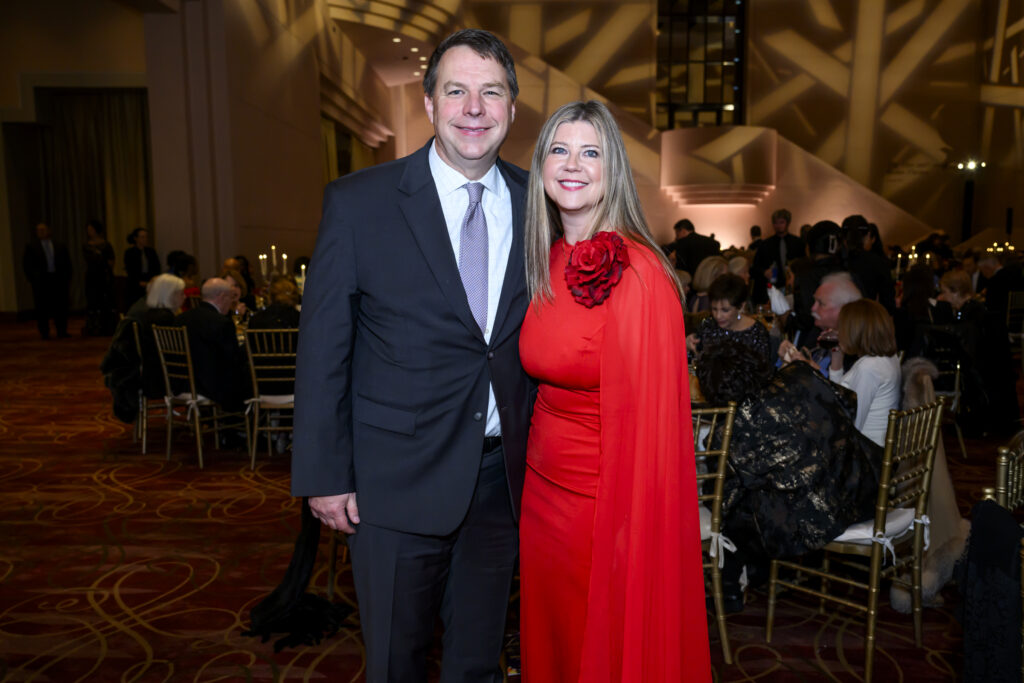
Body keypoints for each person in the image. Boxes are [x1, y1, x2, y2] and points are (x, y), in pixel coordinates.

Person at [291, 29, 533, 682]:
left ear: (513, 108)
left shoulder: (542, 202)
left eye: (492, 92)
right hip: (392, 483)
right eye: (456, 90)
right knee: (396, 663)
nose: (474, 108)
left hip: (500, 484)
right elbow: (323, 351)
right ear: (429, 104)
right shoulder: (359, 203)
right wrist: (322, 472)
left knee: (479, 663)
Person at [518, 100, 711, 682]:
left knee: (594, 651)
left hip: (602, 511)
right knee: (553, 645)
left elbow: (655, 431)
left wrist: (631, 537)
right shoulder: (546, 258)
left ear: (613, 169)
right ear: (542, 164)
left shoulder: (640, 273)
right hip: (540, 499)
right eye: (559, 149)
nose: (573, 164)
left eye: (591, 151)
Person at [696, 338, 880, 612]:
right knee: (755, 492)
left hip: (823, 517)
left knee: (729, 508)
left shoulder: (729, 433)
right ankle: (756, 571)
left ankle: (730, 591)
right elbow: (849, 405)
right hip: (865, 486)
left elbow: (723, 500)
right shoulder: (800, 374)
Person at [827, 299, 901, 446]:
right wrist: (837, 360)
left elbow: (851, 422)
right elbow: (842, 397)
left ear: (855, 331)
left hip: (864, 455)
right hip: (875, 448)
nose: (839, 333)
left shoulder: (869, 367)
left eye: (842, 328)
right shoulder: (889, 358)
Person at [174, 277, 251, 413]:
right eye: (230, 297)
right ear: (222, 297)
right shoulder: (221, 323)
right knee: (250, 378)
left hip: (180, 384)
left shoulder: (181, 319)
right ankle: (240, 427)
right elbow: (233, 360)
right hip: (210, 387)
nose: (232, 302)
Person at [779, 271, 861, 377]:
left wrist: (809, 367)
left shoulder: (854, 350)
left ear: (843, 310)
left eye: (821, 304)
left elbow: (842, 390)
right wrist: (786, 358)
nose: (813, 308)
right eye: (814, 302)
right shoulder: (815, 332)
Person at [686, 272, 770, 361]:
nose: (718, 316)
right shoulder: (708, 326)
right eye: (714, 309)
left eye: (725, 310)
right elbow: (692, 360)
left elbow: (762, 371)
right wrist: (687, 346)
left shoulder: (756, 333)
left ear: (741, 306)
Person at [22, 222, 72, 339]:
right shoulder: (31, 246)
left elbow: (67, 262)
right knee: (42, 307)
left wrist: (67, 277)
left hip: (57, 279)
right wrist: (33, 279)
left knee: (60, 306)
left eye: (43, 230)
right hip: (41, 281)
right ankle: (44, 332)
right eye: (38, 230)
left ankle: (62, 330)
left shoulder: (59, 245)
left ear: (49, 231)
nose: (41, 232)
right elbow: (27, 265)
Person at [752, 208, 804, 304]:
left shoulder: (798, 243)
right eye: (775, 223)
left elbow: (803, 264)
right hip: (772, 287)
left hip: (793, 287)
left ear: (788, 223)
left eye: (781, 222)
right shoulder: (765, 244)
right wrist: (764, 272)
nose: (778, 226)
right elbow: (755, 267)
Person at [83, 219, 116, 336]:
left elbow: (111, 261)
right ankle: (93, 327)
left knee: (106, 302)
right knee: (93, 302)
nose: (89, 232)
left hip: (104, 277)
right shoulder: (87, 246)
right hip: (92, 277)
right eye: (88, 230)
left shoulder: (106, 245)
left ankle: (106, 327)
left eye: (91, 229)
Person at [123, 227, 161, 309]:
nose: (145, 239)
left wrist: (152, 280)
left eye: (146, 237)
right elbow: (131, 270)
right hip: (135, 285)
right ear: (136, 238)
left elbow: (157, 267)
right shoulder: (130, 253)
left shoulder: (151, 252)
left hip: (150, 283)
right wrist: (140, 282)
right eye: (142, 237)